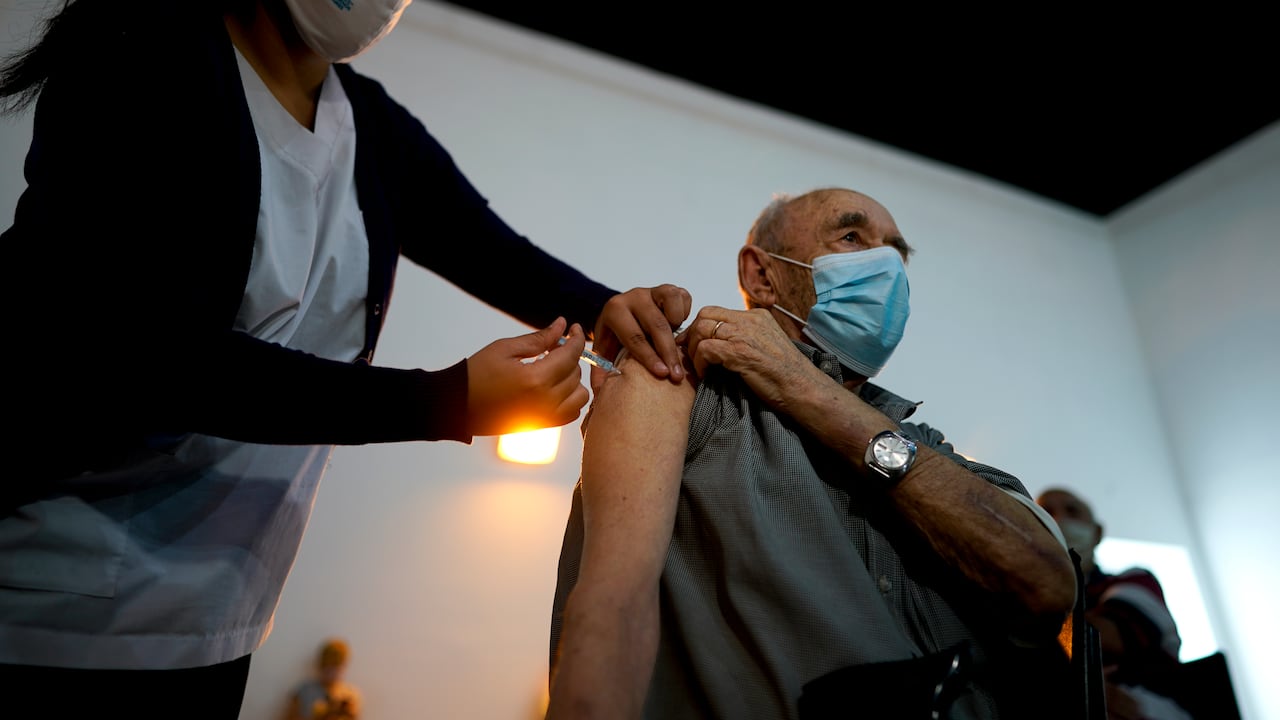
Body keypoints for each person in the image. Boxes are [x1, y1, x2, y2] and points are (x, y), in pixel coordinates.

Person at [0, 0, 691, 717]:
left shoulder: (362, 123)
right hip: (59, 599)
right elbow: (154, 356)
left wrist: (606, 305)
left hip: (214, 619)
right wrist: (447, 401)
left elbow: (487, 247)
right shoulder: (139, 64)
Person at [545, 187, 1081, 720]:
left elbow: (1046, 584)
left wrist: (805, 387)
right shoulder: (684, 383)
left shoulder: (932, 451)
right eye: (851, 237)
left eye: (896, 253)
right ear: (761, 275)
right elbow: (611, 609)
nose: (886, 269)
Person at [1036, 487, 1193, 720]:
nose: (1059, 520)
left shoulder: (1136, 581)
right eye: (1047, 513)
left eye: (1072, 511)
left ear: (1097, 532)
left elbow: (1100, 637)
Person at [285, 638, 363, 720]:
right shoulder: (304, 691)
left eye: (338, 666)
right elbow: (289, 716)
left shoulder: (350, 696)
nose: (333, 671)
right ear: (321, 664)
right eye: (329, 665)